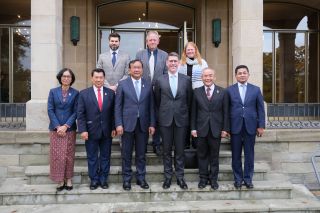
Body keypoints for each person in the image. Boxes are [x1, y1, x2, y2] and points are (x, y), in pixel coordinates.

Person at [115, 59, 156, 191]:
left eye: (139, 68)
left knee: (141, 154)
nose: (137, 70)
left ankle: (141, 178)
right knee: (126, 154)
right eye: (134, 68)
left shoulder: (147, 84)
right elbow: (118, 106)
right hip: (126, 125)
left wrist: (152, 123)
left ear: (142, 70)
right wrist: (118, 124)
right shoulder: (122, 84)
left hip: (143, 125)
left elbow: (151, 106)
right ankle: (127, 180)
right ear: (129, 70)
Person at [154, 52, 192, 190]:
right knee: (166, 151)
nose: (173, 63)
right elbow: (157, 101)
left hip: (181, 120)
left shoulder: (186, 80)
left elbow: (189, 100)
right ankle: (168, 177)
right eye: (171, 61)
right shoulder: (160, 80)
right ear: (167, 63)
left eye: (175, 61)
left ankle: (180, 177)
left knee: (180, 151)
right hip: (165, 120)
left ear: (179, 63)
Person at [227, 65, 265, 189]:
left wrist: (261, 126)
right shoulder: (229, 90)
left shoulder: (256, 90)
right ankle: (238, 179)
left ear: (248, 75)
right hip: (235, 127)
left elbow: (260, 109)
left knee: (249, 154)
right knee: (236, 155)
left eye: (244, 73)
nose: (242, 75)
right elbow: (226, 110)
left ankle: (248, 179)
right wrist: (226, 128)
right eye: (239, 73)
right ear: (236, 75)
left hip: (251, 127)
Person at [191, 68, 229, 190]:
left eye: (210, 76)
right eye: (205, 76)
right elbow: (193, 112)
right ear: (202, 78)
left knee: (214, 156)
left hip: (216, 129)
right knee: (201, 155)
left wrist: (225, 129)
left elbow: (226, 112)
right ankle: (203, 179)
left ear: (214, 77)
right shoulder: (196, 92)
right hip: (201, 129)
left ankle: (213, 179)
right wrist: (193, 128)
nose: (208, 78)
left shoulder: (222, 92)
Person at [77, 68, 116, 190]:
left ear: (104, 79)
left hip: (107, 131)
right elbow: (80, 114)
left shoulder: (110, 93)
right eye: (96, 77)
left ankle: (103, 179)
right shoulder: (83, 93)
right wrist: (82, 130)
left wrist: (114, 127)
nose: (98, 80)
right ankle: (94, 180)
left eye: (101, 77)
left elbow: (114, 112)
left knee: (105, 156)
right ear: (92, 78)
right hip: (90, 131)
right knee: (92, 157)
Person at [136, 30, 168, 156]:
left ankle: (156, 144)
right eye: (150, 40)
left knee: (158, 117)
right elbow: (137, 70)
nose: (152, 42)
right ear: (147, 41)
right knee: (143, 115)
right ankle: (142, 144)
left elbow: (166, 73)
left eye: (155, 40)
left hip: (159, 91)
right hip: (143, 89)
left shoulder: (165, 55)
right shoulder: (140, 54)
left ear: (158, 41)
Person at [47, 68, 79, 191]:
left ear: (72, 79)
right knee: (57, 156)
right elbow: (50, 109)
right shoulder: (53, 92)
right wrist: (57, 126)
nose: (66, 78)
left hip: (69, 129)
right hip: (55, 129)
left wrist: (66, 126)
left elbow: (76, 111)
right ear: (60, 78)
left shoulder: (76, 93)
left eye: (69, 77)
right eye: (64, 76)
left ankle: (69, 179)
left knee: (68, 155)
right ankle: (60, 180)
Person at [178, 42, 208, 148]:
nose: (190, 51)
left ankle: (196, 143)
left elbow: (207, 78)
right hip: (184, 95)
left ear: (195, 50)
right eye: (188, 50)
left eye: (192, 49)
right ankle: (185, 143)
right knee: (185, 118)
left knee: (196, 117)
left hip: (197, 93)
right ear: (185, 51)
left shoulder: (202, 63)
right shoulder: (180, 63)